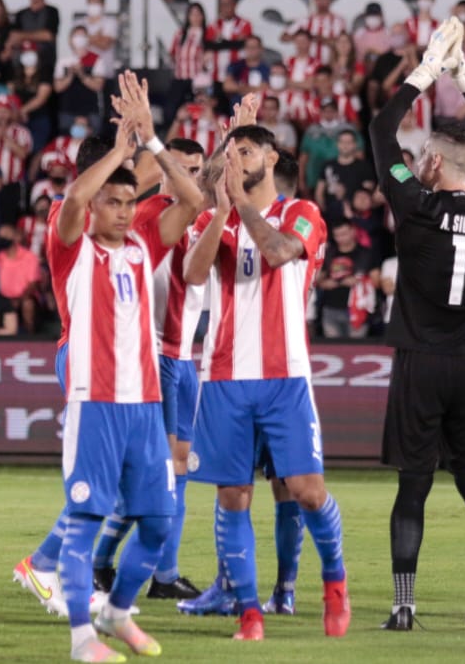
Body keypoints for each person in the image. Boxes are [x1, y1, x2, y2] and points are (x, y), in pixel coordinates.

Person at [368, 17, 465, 631]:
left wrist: (427, 72)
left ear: (430, 160)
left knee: (414, 487)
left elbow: (381, 129)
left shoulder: (414, 205)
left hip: (420, 363)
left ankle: (404, 603)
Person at [184, 124, 349, 641]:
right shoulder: (217, 218)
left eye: (248, 151)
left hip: (285, 377)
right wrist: (221, 209)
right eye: (231, 153)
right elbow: (193, 273)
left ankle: (335, 585)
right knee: (233, 496)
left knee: (306, 491)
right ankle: (249, 614)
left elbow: (277, 252)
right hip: (224, 377)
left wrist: (240, 206)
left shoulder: (302, 213)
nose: (238, 160)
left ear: (272, 158)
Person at [48, 111, 175, 663]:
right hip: (95, 403)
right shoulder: (70, 240)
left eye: (129, 203)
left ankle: (118, 612)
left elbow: (178, 192)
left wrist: (147, 138)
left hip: (144, 405)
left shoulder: (140, 246)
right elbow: (78, 201)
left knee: (158, 523)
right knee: (83, 522)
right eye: (114, 201)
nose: (125, 212)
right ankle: (82, 640)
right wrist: (119, 154)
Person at [89, 133, 206, 602]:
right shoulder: (147, 214)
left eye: (195, 170)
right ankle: (101, 561)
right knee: (153, 473)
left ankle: (161, 573)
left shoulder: (198, 214)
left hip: (184, 356)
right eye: (178, 167)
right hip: (155, 354)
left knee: (178, 469)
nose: (187, 177)